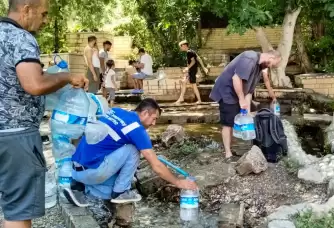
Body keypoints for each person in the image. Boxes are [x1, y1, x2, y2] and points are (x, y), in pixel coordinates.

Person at [0, 0, 88, 227]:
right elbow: (34, 85)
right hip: (15, 137)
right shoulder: (21, 38)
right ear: (27, 9)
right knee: (18, 211)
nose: (45, 20)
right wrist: (66, 77)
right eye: (44, 13)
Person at [64, 98, 198, 205]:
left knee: (108, 178)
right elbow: (156, 166)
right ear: (145, 113)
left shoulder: (115, 111)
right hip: (92, 173)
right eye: (154, 118)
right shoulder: (137, 129)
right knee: (133, 149)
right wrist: (178, 182)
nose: (154, 124)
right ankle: (120, 192)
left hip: (75, 170)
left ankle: (79, 188)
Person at [209, 50, 281, 162]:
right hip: (226, 91)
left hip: (237, 93)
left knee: (235, 121)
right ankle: (228, 154)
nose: (272, 67)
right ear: (271, 57)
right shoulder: (250, 58)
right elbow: (236, 78)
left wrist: (246, 107)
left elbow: (249, 91)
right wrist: (241, 100)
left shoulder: (259, 68)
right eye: (273, 64)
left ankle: (231, 149)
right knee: (228, 123)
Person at [175, 40, 209, 104]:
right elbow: (199, 59)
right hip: (192, 71)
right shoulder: (192, 51)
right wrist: (204, 68)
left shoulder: (189, 52)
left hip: (192, 71)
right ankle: (181, 98)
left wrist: (187, 68)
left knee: (194, 86)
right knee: (184, 83)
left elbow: (193, 62)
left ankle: (199, 100)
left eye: (181, 46)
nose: (180, 48)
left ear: (184, 45)